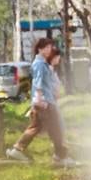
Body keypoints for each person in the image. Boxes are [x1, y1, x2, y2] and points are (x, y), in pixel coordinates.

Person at [7, 38, 74, 166]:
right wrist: (39, 100)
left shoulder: (42, 63)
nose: (49, 50)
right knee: (55, 129)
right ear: (40, 49)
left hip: (46, 101)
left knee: (36, 127)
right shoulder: (39, 64)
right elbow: (37, 83)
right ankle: (60, 156)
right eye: (46, 48)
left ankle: (17, 149)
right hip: (44, 102)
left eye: (50, 47)